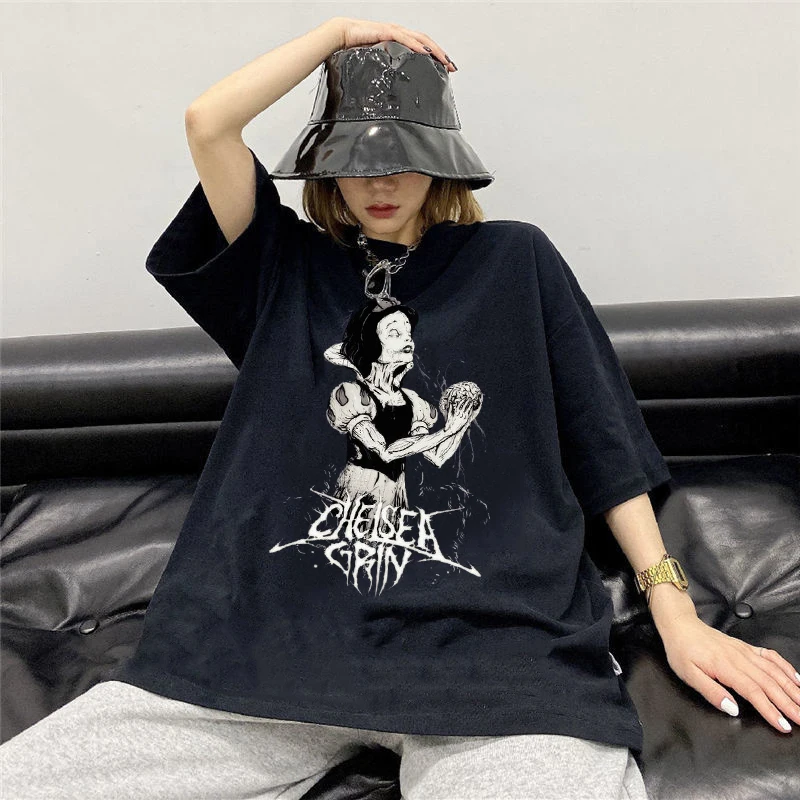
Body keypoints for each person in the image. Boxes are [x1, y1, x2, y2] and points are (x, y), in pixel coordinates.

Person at [2, 15, 798, 800]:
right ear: (324, 165)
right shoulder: (281, 268)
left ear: (441, 160)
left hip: (491, 662)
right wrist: (335, 34)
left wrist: (675, 612)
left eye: (402, 159)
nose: (380, 184)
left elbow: (604, 446)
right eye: (356, 160)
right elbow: (208, 121)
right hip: (259, 659)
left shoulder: (514, 262)